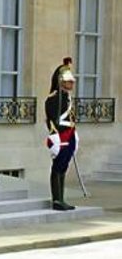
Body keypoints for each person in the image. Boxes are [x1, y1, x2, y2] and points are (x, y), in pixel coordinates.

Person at [45, 57, 79, 211]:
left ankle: (61, 197)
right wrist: (55, 137)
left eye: (72, 81)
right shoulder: (53, 99)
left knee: (64, 167)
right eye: (68, 81)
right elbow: (51, 120)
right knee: (57, 167)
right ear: (60, 81)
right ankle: (56, 199)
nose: (71, 84)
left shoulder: (68, 98)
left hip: (70, 134)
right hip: (60, 136)